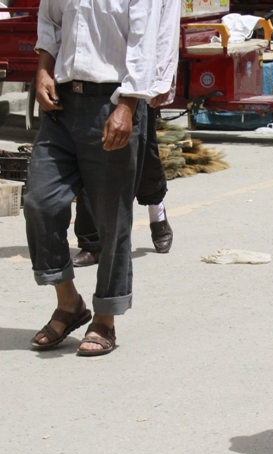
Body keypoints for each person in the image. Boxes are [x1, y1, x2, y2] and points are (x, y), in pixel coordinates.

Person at [24, 0, 163, 356]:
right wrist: (42, 70)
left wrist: (127, 107)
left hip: (113, 102)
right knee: (40, 202)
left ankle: (105, 318)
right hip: (62, 104)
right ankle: (69, 304)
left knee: (110, 219)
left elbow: (144, 47)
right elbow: (49, 23)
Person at [73, 0, 181, 266]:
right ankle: (91, 241)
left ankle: (156, 212)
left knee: (144, 152)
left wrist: (162, 76)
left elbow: (166, 26)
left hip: (138, 76)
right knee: (91, 157)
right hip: (97, 73)